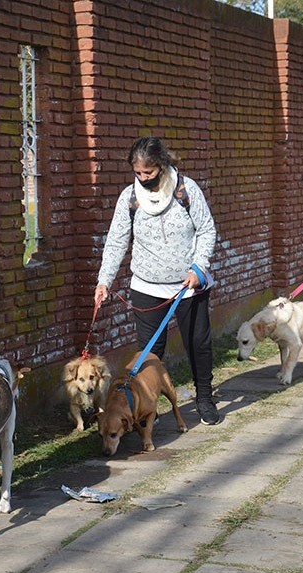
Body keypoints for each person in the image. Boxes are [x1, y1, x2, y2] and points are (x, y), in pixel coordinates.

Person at [94, 136, 220, 424]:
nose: (143, 178)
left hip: (188, 287)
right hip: (146, 287)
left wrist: (198, 267)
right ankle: (146, 409)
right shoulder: (129, 197)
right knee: (149, 354)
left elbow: (207, 230)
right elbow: (116, 241)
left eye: (148, 173)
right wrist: (105, 281)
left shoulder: (187, 191)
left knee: (197, 344)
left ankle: (204, 398)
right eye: (138, 173)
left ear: (162, 166)